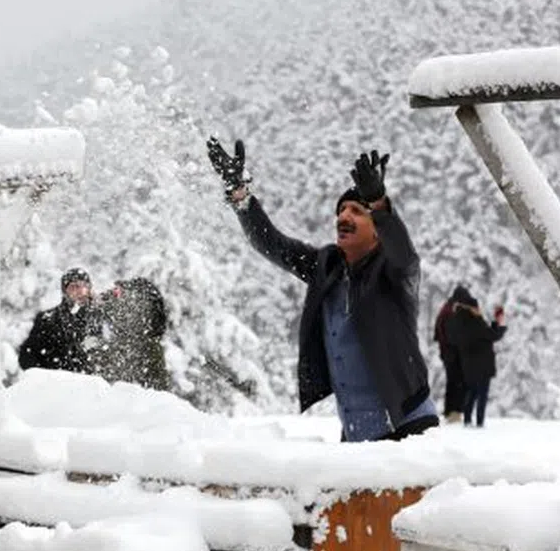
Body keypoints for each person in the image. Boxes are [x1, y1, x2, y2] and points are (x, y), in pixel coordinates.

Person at [207, 138, 439, 442]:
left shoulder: (394, 273)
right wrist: (239, 193)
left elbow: (402, 251)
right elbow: (272, 244)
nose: (343, 217)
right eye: (341, 211)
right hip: (356, 432)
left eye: (356, 211)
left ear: (378, 229)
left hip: (407, 428)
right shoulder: (326, 267)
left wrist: (380, 203)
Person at [17, 267, 101, 373]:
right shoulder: (47, 319)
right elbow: (27, 357)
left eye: (85, 286)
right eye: (74, 287)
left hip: (92, 386)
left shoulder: (98, 318)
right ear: (65, 290)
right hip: (56, 385)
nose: (80, 291)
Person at [97, 277, 170, 391]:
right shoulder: (138, 296)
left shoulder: (133, 299)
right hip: (142, 346)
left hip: (139, 348)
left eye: (117, 291)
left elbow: (122, 318)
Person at [445, 294, 506, 428]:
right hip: (482, 364)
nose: (479, 310)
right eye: (477, 307)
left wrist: (494, 324)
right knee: (482, 395)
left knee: (472, 392)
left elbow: (485, 335)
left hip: (468, 365)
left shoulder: (459, 322)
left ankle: (467, 420)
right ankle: (479, 423)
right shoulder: (474, 322)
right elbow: (492, 335)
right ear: (471, 308)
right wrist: (499, 322)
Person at [433, 285, 472, 423]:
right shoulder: (450, 312)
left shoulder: (448, 309)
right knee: (457, 382)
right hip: (452, 355)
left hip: (450, 354)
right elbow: (452, 336)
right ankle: (453, 412)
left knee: (455, 382)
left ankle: (453, 412)